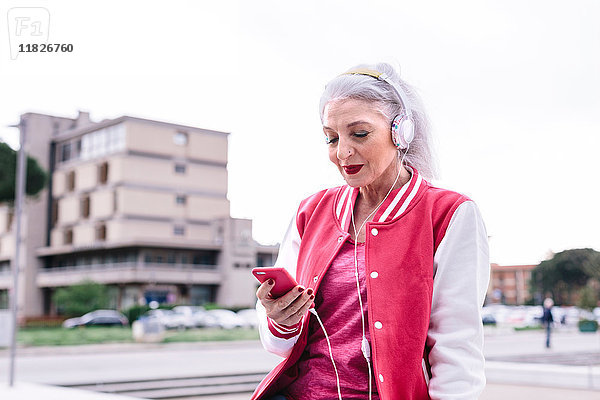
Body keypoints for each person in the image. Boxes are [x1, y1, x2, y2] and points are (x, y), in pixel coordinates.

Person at [252, 63, 490, 400]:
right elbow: (279, 344)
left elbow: (456, 346)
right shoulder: (310, 211)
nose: (342, 152)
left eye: (359, 134)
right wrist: (281, 319)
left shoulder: (449, 214)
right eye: (331, 138)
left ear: (400, 132)